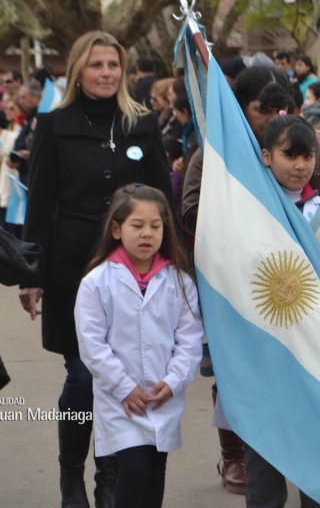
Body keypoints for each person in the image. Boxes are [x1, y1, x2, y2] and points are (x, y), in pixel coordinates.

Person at [19, 30, 174, 508]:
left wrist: (175, 265)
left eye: (113, 65)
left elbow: (161, 199)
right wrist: (32, 271)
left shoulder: (142, 124)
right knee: (84, 378)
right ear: (78, 72)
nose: (106, 73)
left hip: (136, 270)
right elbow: (40, 201)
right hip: (72, 267)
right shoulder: (53, 124)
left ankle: (110, 479)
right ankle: (72, 474)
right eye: (96, 65)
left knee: (124, 376)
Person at [180, 66, 320, 496]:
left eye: (281, 108)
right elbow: (193, 210)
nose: (273, 119)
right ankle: (236, 454)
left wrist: (298, 233)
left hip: (297, 289)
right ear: (240, 109)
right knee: (240, 370)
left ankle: (308, 463)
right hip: (237, 281)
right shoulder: (217, 149)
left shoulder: (299, 140)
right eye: (261, 110)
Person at [242, 114, 320, 508]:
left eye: (308, 156)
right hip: (264, 349)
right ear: (266, 156)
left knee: (315, 446)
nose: (301, 165)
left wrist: (308, 311)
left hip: (314, 348)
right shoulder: (248, 208)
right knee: (264, 449)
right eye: (290, 155)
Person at [75, 184, 203, 508]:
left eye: (155, 226)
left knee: (154, 472)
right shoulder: (97, 282)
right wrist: (123, 387)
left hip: (162, 397)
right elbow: (92, 344)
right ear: (116, 228)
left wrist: (173, 382)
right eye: (137, 225)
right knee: (133, 468)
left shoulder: (179, 280)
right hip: (121, 401)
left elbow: (189, 339)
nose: (147, 234)